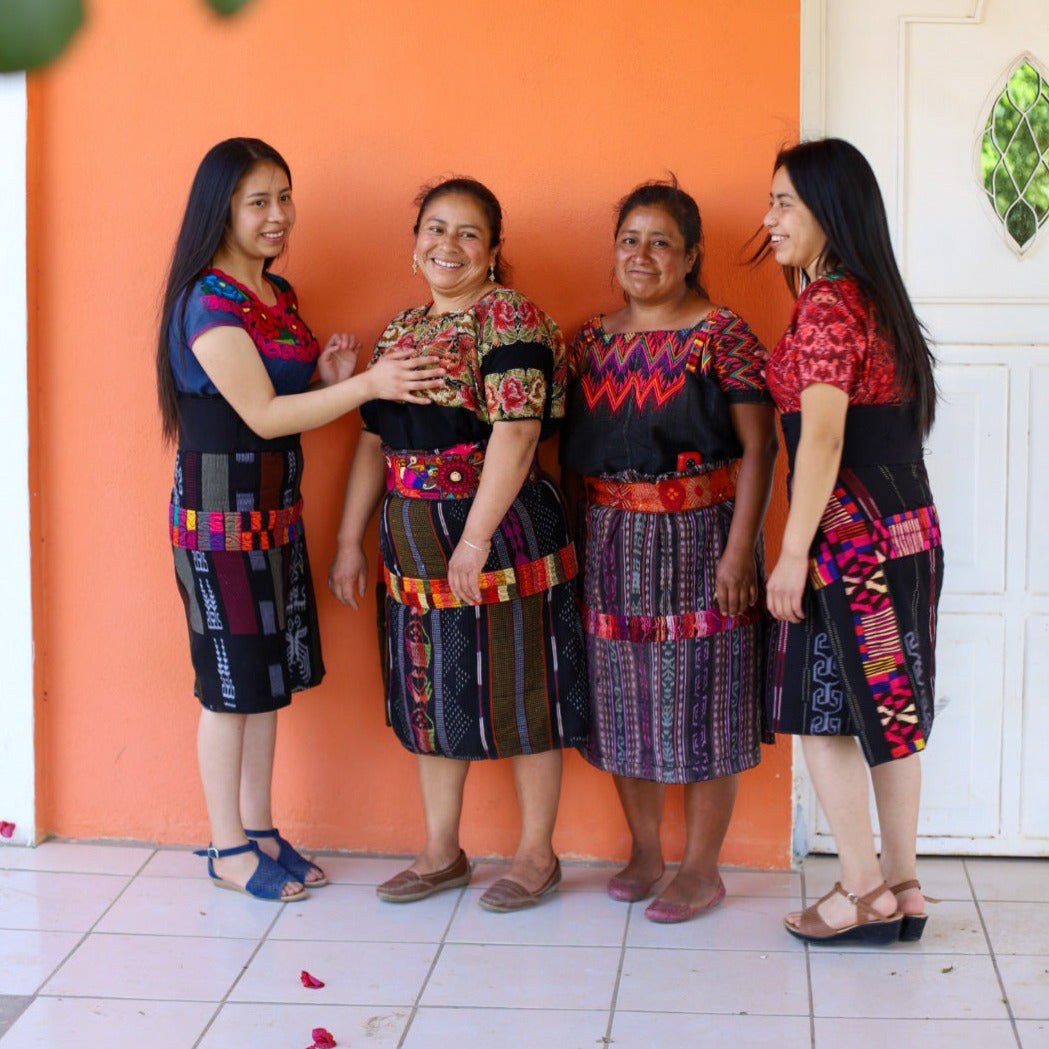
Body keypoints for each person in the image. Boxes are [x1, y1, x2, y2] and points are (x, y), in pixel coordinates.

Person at [158, 137, 443, 902]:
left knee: (265, 680)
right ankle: (224, 845)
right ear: (220, 210)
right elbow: (258, 411)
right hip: (220, 520)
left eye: (285, 197)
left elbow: (281, 398)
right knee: (229, 685)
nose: (279, 215)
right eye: (259, 202)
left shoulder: (275, 295)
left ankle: (258, 828)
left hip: (274, 514)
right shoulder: (207, 301)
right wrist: (370, 386)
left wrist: (325, 376)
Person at [329, 177, 587, 913]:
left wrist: (474, 539)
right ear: (415, 246)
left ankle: (537, 853)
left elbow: (518, 432)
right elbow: (374, 442)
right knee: (430, 690)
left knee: (526, 687)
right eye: (435, 229)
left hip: (500, 533)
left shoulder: (510, 319)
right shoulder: (399, 331)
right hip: (412, 540)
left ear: (494, 252)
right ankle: (442, 850)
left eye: (468, 232)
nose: (449, 245)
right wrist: (350, 539)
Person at [560, 180, 778, 923]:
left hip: (701, 536)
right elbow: (564, 454)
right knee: (620, 697)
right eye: (629, 239)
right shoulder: (586, 341)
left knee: (705, 698)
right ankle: (645, 850)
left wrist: (740, 550)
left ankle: (701, 866)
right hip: (610, 539)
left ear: (690, 255)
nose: (641, 255)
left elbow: (760, 447)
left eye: (660, 242)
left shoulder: (723, 335)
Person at [760, 138, 942, 944]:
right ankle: (901, 884)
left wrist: (793, 550)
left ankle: (860, 891)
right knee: (892, 707)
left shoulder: (830, 303)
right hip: (907, 525)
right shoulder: (879, 300)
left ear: (830, 211)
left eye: (784, 203)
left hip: (847, 538)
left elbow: (822, 440)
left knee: (821, 711)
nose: (768, 220)